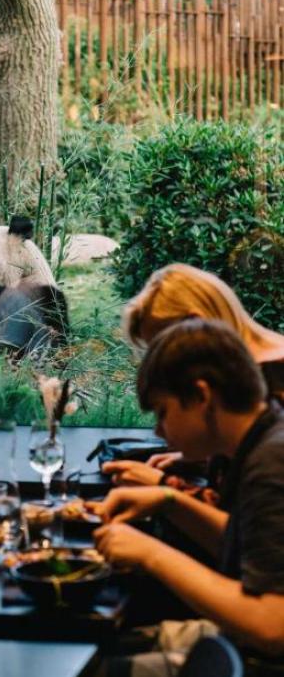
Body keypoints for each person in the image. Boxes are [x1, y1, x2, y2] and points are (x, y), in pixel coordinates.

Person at [92, 320, 284, 671]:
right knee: (99, 644)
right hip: (236, 644)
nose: (158, 432)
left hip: (258, 660)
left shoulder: (271, 464)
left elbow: (273, 625)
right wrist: (170, 501)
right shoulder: (265, 437)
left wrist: (150, 553)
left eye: (163, 412)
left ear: (201, 396)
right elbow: (251, 549)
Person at [105, 263, 284, 489]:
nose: (164, 365)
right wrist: (202, 458)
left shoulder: (275, 378)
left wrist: (167, 489)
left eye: (166, 344)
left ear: (197, 325)